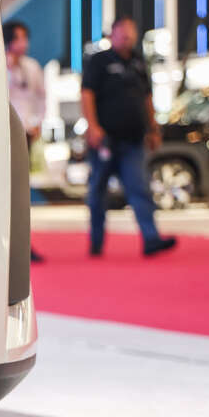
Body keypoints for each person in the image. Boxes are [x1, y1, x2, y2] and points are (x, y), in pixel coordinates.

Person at [80, 16, 177, 257]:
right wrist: (93, 127)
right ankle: (96, 242)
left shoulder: (138, 62)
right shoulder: (99, 61)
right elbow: (87, 94)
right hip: (105, 140)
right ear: (112, 35)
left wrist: (153, 128)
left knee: (139, 188)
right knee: (98, 192)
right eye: (122, 34)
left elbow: (147, 97)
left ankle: (151, 239)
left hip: (133, 140)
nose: (127, 38)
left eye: (131, 33)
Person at [3, 20, 46, 263]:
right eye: (19, 38)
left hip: (26, 133)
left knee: (20, 192)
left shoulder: (32, 67)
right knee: (5, 191)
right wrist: (8, 67)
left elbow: (41, 97)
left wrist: (38, 121)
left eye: (25, 38)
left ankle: (23, 245)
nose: (24, 43)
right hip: (3, 134)